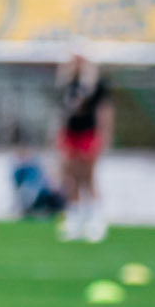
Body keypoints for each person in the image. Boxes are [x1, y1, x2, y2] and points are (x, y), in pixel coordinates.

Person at [55, 50, 113, 243]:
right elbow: (63, 113)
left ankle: (96, 220)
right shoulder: (68, 85)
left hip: (88, 135)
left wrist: (103, 136)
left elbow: (104, 112)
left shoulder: (95, 85)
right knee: (71, 178)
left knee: (88, 178)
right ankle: (74, 220)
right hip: (71, 135)